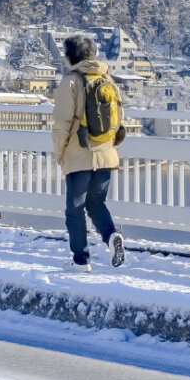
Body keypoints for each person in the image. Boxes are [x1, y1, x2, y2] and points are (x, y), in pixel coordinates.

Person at [51, 33, 126, 271]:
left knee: (75, 209)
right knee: (96, 204)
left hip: (79, 154)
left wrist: (59, 152)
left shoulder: (71, 81)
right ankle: (111, 235)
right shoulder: (108, 79)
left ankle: (81, 260)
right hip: (106, 154)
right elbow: (119, 119)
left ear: (71, 56)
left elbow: (61, 123)